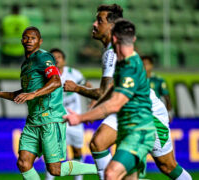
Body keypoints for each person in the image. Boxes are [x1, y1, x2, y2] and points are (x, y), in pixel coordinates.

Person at [64, 4, 191, 180]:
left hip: (148, 114)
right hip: (127, 112)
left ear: (112, 25)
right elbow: (110, 92)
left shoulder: (115, 55)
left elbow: (105, 92)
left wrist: (77, 91)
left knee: (167, 166)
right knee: (98, 143)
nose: (94, 24)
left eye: (99, 20)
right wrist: (96, 107)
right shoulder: (112, 52)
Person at [0, 27, 97, 180]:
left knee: (55, 169)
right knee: (23, 163)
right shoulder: (25, 65)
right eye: (26, 37)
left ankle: (103, 168)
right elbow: (23, 93)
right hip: (33, 121)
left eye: (33, 38)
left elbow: (56, 81)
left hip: (50, 118)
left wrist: (34, 94)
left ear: (40, 41)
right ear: (21, 41)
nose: (29, 40)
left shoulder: (43, 57)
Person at [65, 19, 155, 179]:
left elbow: (115, 103)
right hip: (128, 126)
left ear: (113, 38)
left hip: (139, 129)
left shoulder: (129, 66)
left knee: (111, 172)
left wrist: (80, 117)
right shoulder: (122, 62)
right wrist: (95, 105)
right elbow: (109, 92)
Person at [45, 48, 92, 180]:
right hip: (55, 121)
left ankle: (78, 178)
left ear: (64, 60)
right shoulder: (46, 76)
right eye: (53, 57)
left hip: (74, 120)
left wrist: (92, 101)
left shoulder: (74, 74)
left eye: (59, 56)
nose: (57, 59)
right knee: (53, 154)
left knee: (77, 151)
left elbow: (86, 86)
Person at [142, 55, 174, 121]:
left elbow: (167, 97)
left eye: (146, 64)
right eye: (142, 64)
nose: (144, 66)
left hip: (155, 111)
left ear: (151, 65)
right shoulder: (136, 80)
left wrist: (169, 112)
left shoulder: (158, 80)